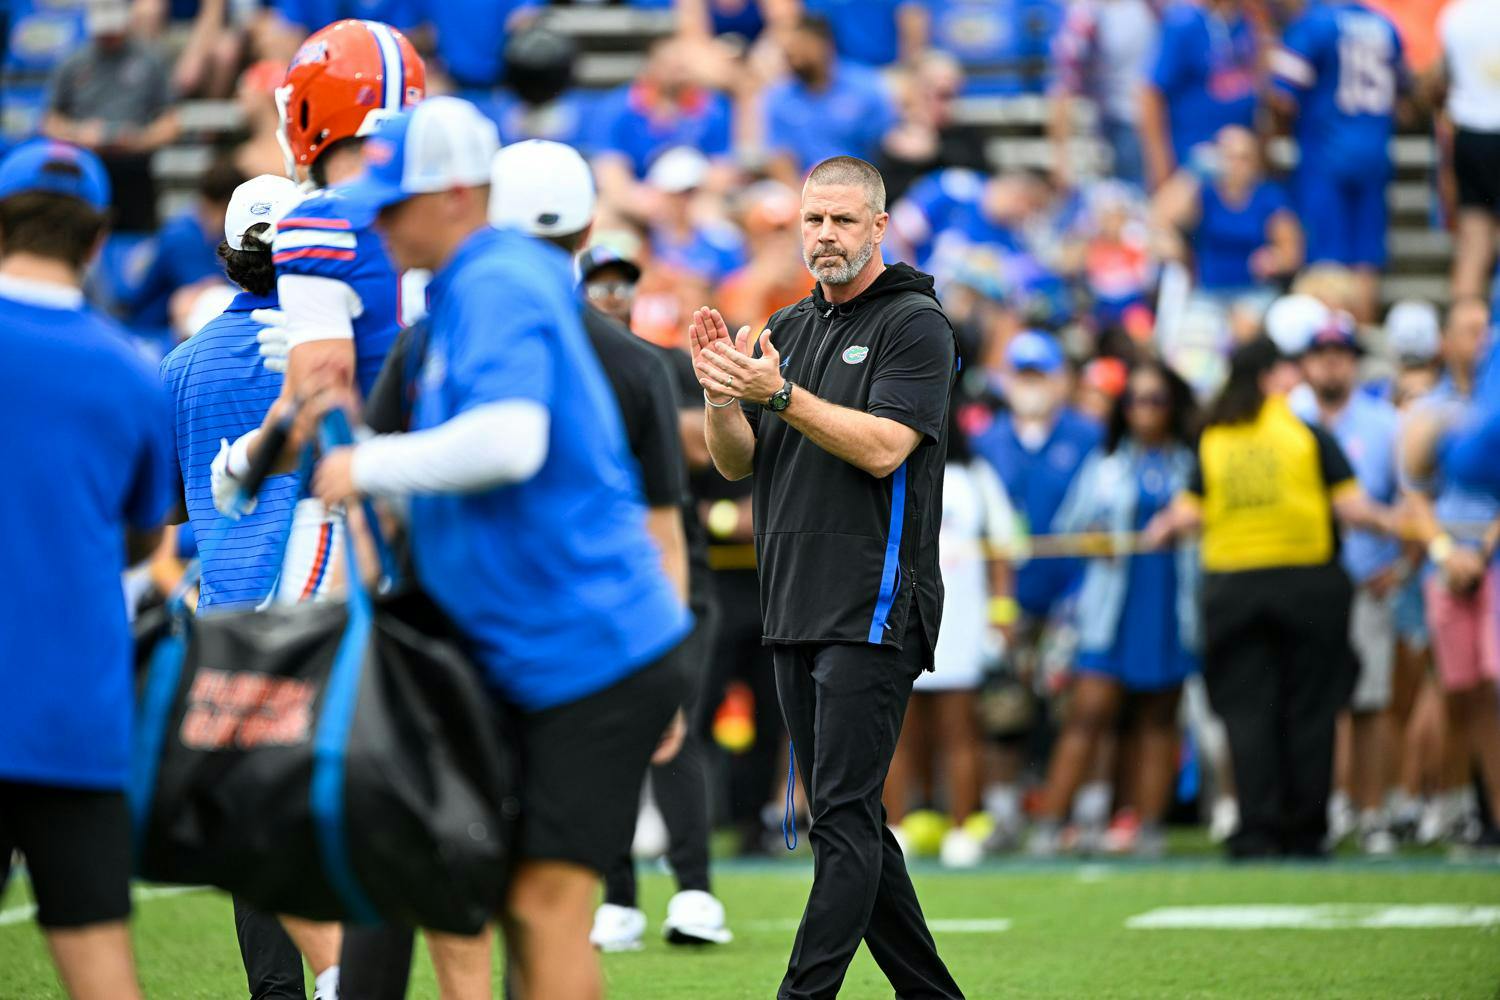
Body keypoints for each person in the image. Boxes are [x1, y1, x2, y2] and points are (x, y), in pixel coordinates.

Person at [312, 97, 693, 1000]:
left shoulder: (496, 281)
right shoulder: (464, 289)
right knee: (516, 897)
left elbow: (510, 441)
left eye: (394, 202)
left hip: (590, 650)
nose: (378, 223)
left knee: (542, 902)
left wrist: (368, 466)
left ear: (454, 196)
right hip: (538, 649)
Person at [693, 154, 964, 1000]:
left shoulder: (916, 324)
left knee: (840, 821)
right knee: (855, 828)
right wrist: (722, 399)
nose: (825, 236)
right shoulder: (788, 326)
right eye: (813, 220)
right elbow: (738, 466)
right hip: (795, 601)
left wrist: (777, 396)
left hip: (875, 605)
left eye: (844, 220)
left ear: (879, 227)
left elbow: (886, 448)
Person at [211, 19, 429, 996]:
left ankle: (342, 976)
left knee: (240, 765)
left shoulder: (320, 218)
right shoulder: (453, 211)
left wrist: (244, 462)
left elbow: (319, 392)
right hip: (451, 519)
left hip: (353, 517)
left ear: (310, 111)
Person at [489, 138, 733, 953]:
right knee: (605, 740)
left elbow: (685, 479)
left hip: (648, 569)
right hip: (585, 569)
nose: (615, 291)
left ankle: (692, 889)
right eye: (605, 279)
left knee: (669, 727)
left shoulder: (645, 362)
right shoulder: (593, 353)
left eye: (625, 280)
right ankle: (621, 893)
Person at [156, 173, 342, 1000]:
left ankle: (281, 993)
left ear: (230, 255)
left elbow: (165, 506)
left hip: (229, 618)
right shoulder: (339, 349)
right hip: (329, 607)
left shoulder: (183, 366)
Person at [0, 138, 176, 1000]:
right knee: (101, 967)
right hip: (75, 708)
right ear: (100, 237)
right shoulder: (131, 372)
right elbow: (144, 540)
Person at [1146, 337, 1397, 859]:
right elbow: (1351, 509)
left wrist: (1159, 528)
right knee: (1311, 710)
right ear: (1267, 377)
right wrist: (1404, 523)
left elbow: (1188, 514)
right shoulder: (1306, 434)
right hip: (1309, 585)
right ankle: (1307, 831)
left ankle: (1256, 830)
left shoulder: (1214, 439)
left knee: (1246, 713)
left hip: (1234, 588)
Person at [1034, 360, 1201, 859]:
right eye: (1133, 401)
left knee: (1158, 719)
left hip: (1171, 603)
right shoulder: (1105, 463)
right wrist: (1093, 538)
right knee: (1088, 713)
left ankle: (1148, 824)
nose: (1142, 411)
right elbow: (1067, 527)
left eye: (1155, 400)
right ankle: (1049, 823)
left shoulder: (1191, 465)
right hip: (1111, 607)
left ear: (1173, 407)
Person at [969, 331, 1103, 848]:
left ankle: (1077, 813)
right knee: (1003, 711)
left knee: (1080, 708)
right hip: (1009, 600)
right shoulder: (986, 440)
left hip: (1074, 595)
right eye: (1022, 374)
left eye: (1039, 374)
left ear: (1060, 379)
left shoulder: (1087, 435)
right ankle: (1003, 813)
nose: (1030, 385)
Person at [1291, 306, 1405, 855]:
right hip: (1304, 583)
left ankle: (1373, 809)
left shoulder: (1385, 425)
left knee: (1370, 702)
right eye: (1321, 355)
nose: (1331, 365)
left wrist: (1403, 566)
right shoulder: (1286, 419)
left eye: (1340, 355)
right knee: (1316, 703)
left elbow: (1410, 502)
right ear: (1307, 362)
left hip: (1363, 579)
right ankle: (1326, 805)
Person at [884, 402, 1014, 868]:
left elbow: (1002, 550)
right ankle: (895, 825)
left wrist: (1001, 615)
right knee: (897, 730)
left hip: (961, 622)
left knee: (960, 730)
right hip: (899, 616)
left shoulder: (976, 478)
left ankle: (963, 825)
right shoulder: (889, 459)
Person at [1399, 297, 1500, 849]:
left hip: (1492, 559)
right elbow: (1416, 492)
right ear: (1447, 342)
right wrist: (1443, 550)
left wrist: (1483, 550)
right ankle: (1477, 812)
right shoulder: (1429, 412)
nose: (1482, 338)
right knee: (1464, 692)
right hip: (1448, 564)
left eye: (1488, 328)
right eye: (1469, 329)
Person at [1271, 0, 1404, 323]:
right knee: (1365, 261)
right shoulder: (1385, 25)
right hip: (1374, 151)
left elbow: (1282, 96)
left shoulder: (1316, 23)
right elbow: (1404, 92)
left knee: (1325, 259)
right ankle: (1359, 340)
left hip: (1326, 153)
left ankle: (1331, 341)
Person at [42, 0, 179, 232]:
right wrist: (78, 134)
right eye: (103, 33)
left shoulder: (150, 59)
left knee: (136, 242)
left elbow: (172, 123)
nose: (108, 39)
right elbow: (49, 122)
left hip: (134, 172)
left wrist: (138, 140)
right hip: (84, 169)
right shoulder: (73, 62)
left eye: (113, 32)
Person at [1151, 126, 1303, 319]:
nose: (1236, 165)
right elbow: (1159, 216)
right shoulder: (1203, 194)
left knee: (1245, 324)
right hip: (1208, 292)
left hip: (1253, 292)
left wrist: (1274, 259)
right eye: (1229, 157)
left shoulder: (1269, 197)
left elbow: (1292, 252)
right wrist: (1192, 173)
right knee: (1196, 336)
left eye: (1244, 158)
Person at [1138, 0, 1259, 191]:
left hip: (1237, 167)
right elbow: (1150, 94)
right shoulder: (1184, 22)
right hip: (1191, 165)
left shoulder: (1248, 23)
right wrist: (1159, 164)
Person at [764, 16, 898, 176]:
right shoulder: (780, 98)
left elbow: (884, 146)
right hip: (804, 189)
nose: (793, 56)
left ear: (825, 45)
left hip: (862, 182)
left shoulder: (865, 88)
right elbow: (780, 158)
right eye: (789, 52)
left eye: (801, 48)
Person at [1049, 0, 1159, 189]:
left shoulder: (1153, 7)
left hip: (1166, 122)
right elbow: (1062, 89)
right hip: (1124, 125)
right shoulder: (1085, 16)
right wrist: (1060, 158)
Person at [1432, 0, 1500, 300]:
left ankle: (1464, 330)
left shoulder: (1456, 15)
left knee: (1473, 244)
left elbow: (1441, 80)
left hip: (1470, 134)